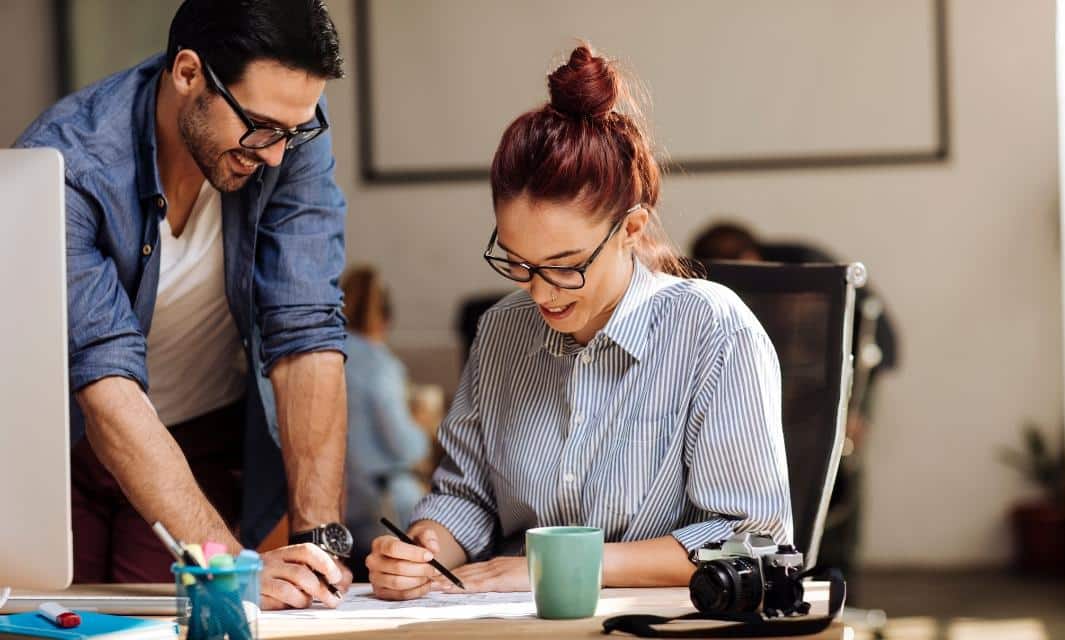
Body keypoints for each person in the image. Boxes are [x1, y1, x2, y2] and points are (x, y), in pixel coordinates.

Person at [365, 45, 793, 600]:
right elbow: (467, 496)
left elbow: (749, 538)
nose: (540, 291)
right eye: (517, 262)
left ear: (632, 228)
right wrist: (424, 548)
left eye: (566, 267)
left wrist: (561, 565)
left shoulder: (713, 332)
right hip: (502, 619)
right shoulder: (502, 331)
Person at [14, 0, 355, 609]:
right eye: (260, 126)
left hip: (202, 443)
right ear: (189, 73)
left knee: (197, 619)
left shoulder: (285, 131)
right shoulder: (68, 165)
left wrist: (319, 547)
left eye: (293, 130)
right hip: (71, 450)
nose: (277, 154)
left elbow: (305, 330)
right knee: (69, 617)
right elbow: (106, 385)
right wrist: (232, 568)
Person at [690, 222, 899, 576]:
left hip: (840, 379)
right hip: (784, 383)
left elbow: (872, 336)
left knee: (832, 467)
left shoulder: (805, 268)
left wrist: (855, 409)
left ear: (751, 256)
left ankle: (836, 573)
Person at [340, 266, 430, 579]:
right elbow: (403, 446)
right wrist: (422, 426)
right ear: (384, 319)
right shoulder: (381, 365)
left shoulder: (324, 355)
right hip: (380, 503)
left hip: (339, 501)